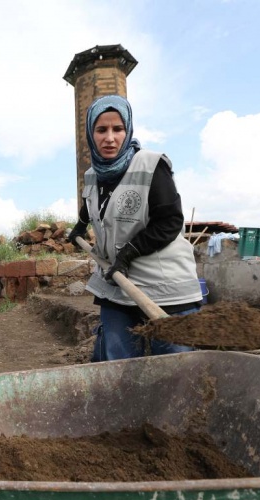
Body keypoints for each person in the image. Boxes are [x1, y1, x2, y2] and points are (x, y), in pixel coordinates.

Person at [67, 94, 202, 361]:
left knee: (177, 368)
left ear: (127, 130)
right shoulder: (93, 175)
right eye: (101, 130)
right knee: (118, 364)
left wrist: (129, 252)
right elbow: (92, 203)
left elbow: (170, 221)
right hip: (117, 285)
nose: (110, 138)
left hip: (166, 288)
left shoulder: (151, 166)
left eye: (118, 129)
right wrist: (80, 226)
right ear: (90, 133)